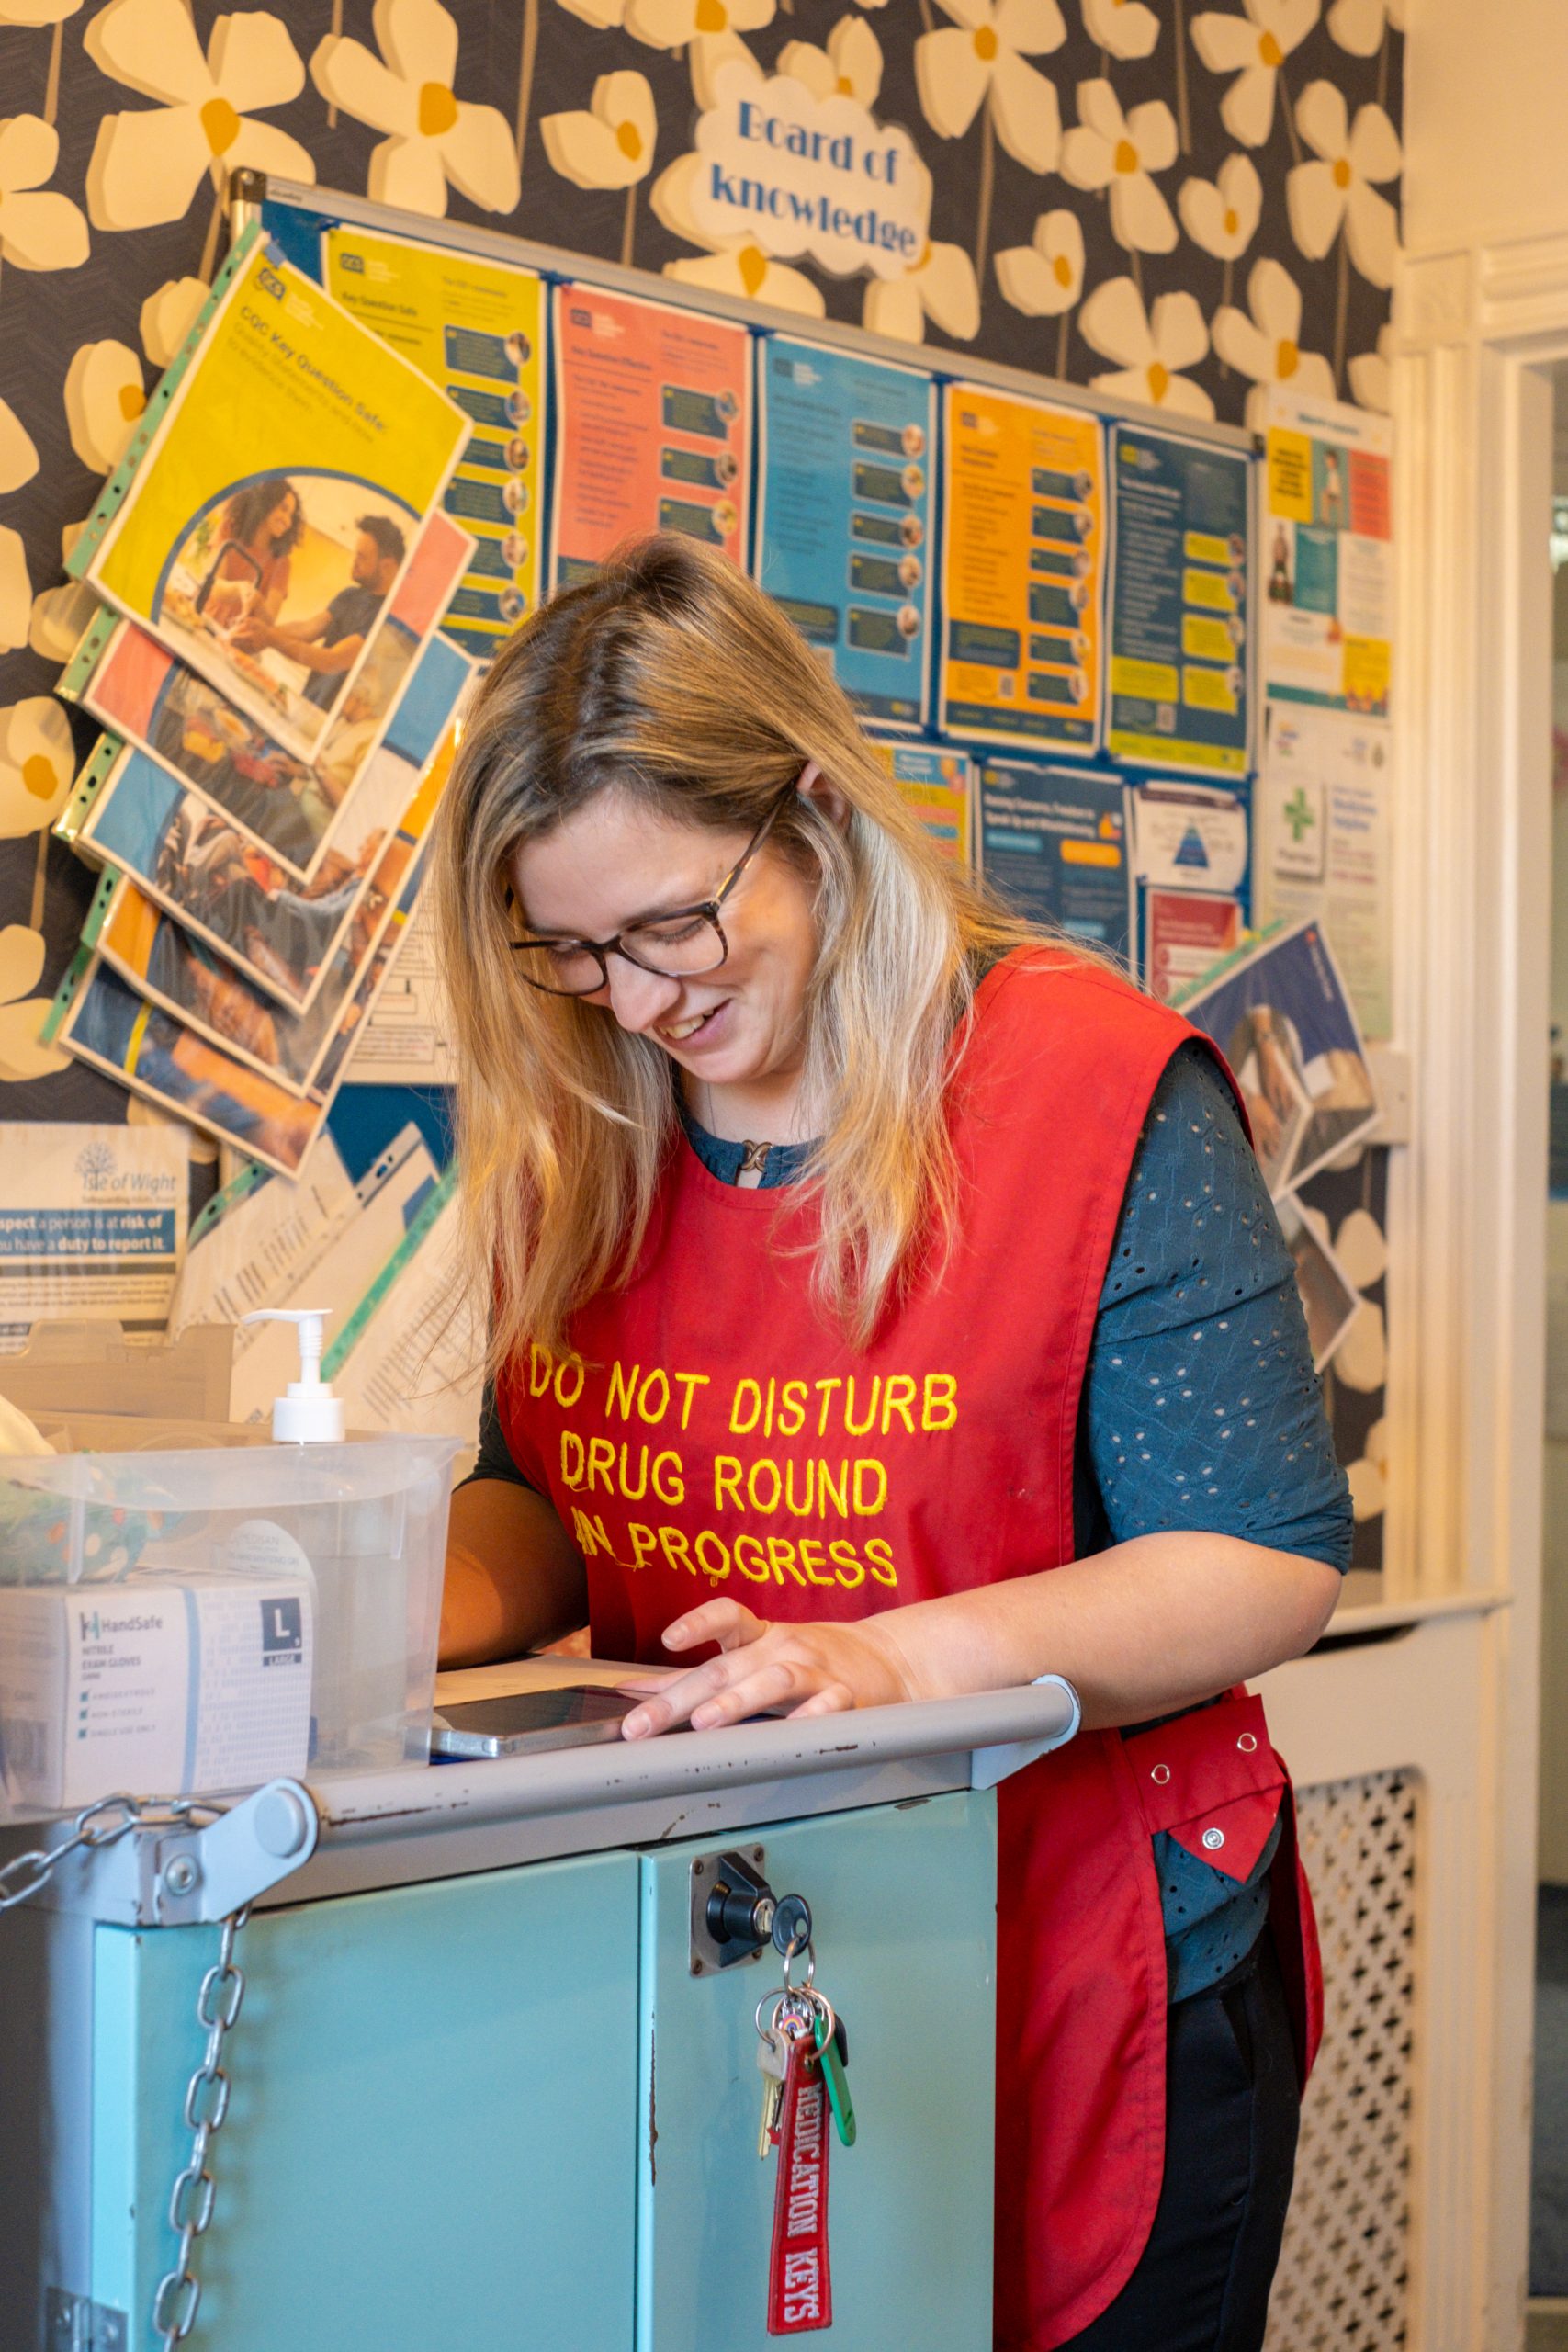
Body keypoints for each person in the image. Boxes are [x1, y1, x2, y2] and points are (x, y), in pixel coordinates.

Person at [432, 535, 1351, 2352]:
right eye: (574, 949)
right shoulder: (591, 1119)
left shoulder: (1091, 1093)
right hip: (728, 1955)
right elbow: (544, 1498)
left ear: (816, 810)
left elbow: (1261, 1558)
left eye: (673, 925)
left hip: (1085, 1955)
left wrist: (896, 1661)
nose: (637, 998)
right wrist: (389, 1603)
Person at [233, 514, 405, 710]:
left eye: (362, 557)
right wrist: (254, 630)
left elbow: (333, 661)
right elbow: (307, 629)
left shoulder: (387, 619)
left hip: (334, 720)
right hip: (309, 704)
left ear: (387, 566)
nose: (353, 561)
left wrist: (269, 637)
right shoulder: (350, 596)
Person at [198, 477, 303, 628]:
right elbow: (213, 586)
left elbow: (269, 622)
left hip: (233, 636)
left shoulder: (282, 563)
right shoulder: (230, 528)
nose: (288, 522)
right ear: (266, 503)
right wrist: (240, 589)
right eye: (283, 509)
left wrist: (258, 603)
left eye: (291, 516)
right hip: (201, 618)